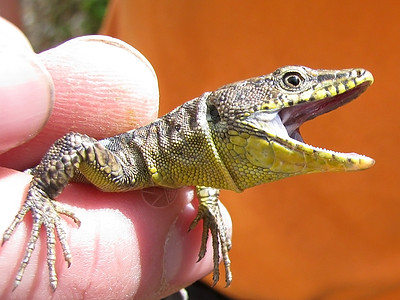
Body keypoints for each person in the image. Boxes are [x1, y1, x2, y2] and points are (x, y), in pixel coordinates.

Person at [0, 17, 231, 299]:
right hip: (29, 165)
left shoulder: (194, 163)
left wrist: (208, 203)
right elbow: (75, 145)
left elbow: (202, 167)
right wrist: (41, 195)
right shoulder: (122, 169)